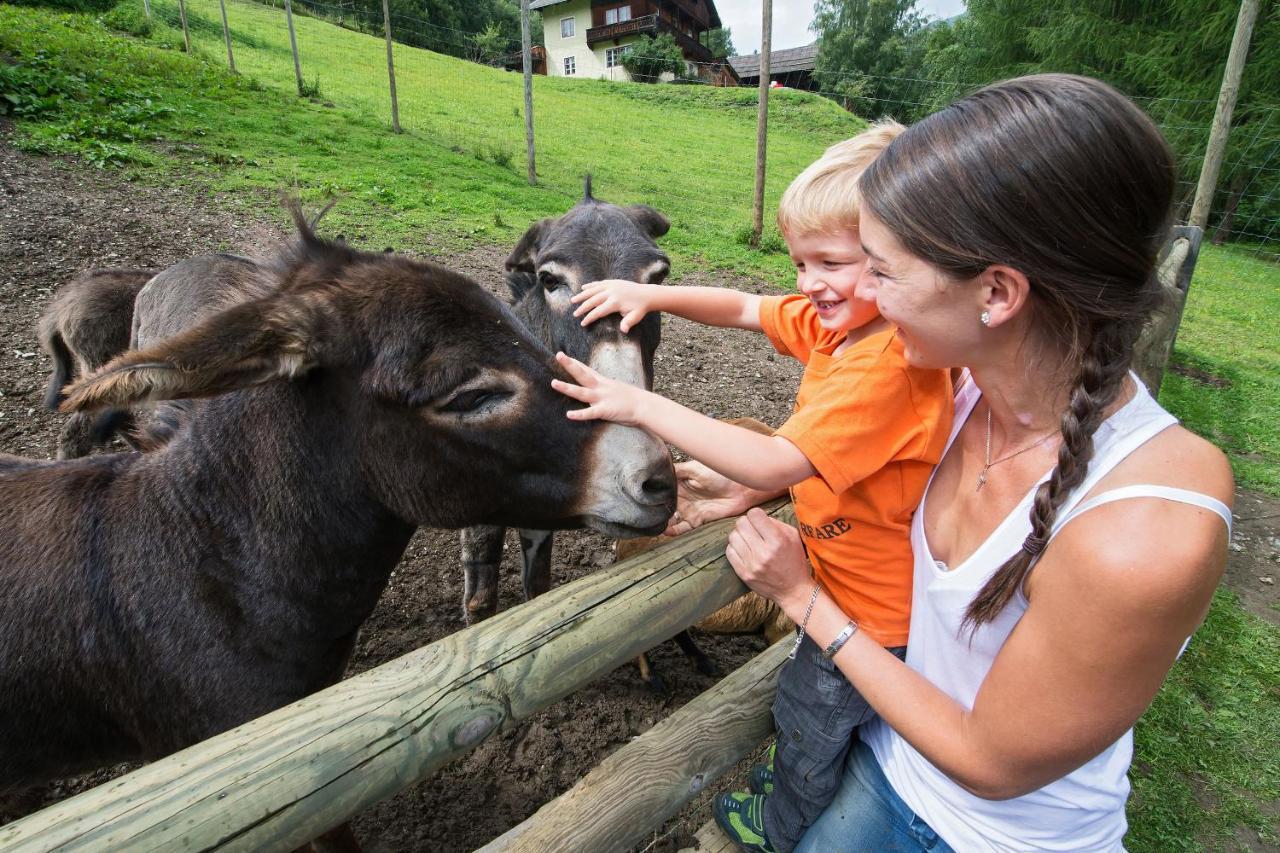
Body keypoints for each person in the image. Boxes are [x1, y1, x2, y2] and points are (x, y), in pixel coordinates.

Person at [680, 74, 1233, 851]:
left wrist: (804, 601)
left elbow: (988, 760)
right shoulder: (957, 383)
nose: (864, 297)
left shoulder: (1145, 526)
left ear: (997, 292)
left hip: (978, 830)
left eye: (884, 270)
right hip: (885, 754)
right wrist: (747, 482)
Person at [550, 121, 954, 853]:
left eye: (830, 261)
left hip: (870, 613)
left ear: (896, 257)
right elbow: (742, 305)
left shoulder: (887, 365)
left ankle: (779, 823)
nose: (807, 283)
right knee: (813, 711)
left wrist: (638, 404)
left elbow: (769, 467)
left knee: (810, 719)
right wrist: (652, 300)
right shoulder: (844, 325)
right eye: (800, 261)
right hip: (844, 570)